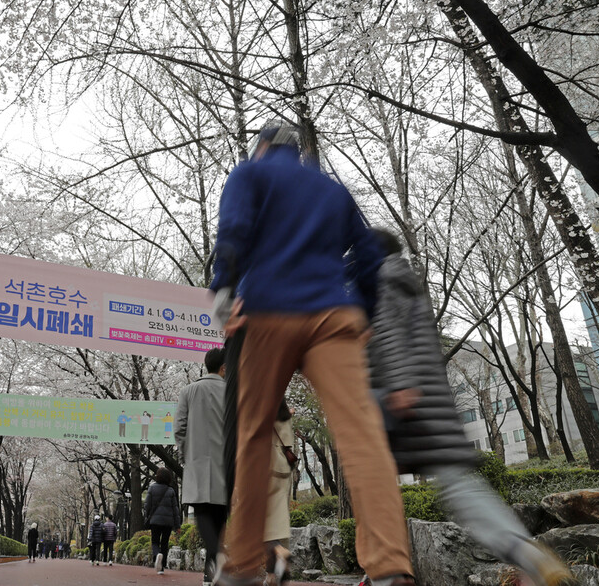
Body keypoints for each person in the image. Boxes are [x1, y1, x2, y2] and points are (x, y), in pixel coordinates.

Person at [210, 122, 413, 586]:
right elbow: (367, 253)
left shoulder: (250, 174)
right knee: (361, 435)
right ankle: (390, 567)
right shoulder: (332, 190)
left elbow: (234, 229)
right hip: (333, 315)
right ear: (298, 153)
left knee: (254, 433)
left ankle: (241, 565)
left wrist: (223, 289)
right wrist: (363, 310)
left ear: (262, 148)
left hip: (267, 310)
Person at [364, 229, 573, 586]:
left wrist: (397, 386)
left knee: (375, 484)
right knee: (458, 484)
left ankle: (385, 573)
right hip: (433, 403)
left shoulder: (383, 282)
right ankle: (526, 552)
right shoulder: (406, 281)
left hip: (406, 402)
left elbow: (388, 337)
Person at [175, 347, 227, 586]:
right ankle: (211, 572)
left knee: (202, 512)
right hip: (225, 461)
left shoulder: (188, 391)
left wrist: (185, 455)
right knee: (219, 514)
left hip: (197, 461)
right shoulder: (232, 391)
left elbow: (179, 428)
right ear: (224, 367)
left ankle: (215, 564)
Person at [264, 402, 297, 586]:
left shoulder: (262, 413)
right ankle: (273, 575)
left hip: (267, 467)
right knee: (279, 523)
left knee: (261, 524)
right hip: (284, 469)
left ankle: (279, 551)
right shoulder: (286, 416)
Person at [143, 467, 181, 575]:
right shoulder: (171, 491)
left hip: (155, 520)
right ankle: (162, 567)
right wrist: (177, 525)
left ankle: (157, 555)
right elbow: (175, 509)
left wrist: (147, 516)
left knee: (155, 541)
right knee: (164, 543)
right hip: (168, 522)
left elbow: (147, 505)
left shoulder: (152, 488)